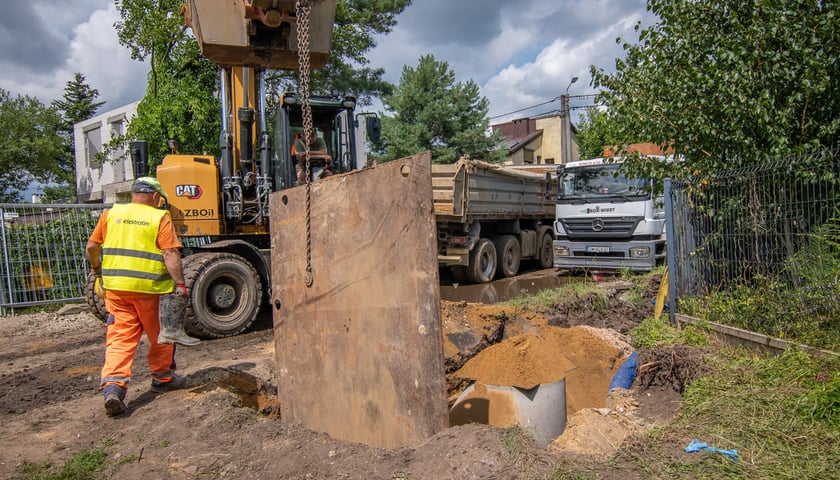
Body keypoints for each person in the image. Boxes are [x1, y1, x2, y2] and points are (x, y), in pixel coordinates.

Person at [85, 176, 189, 417]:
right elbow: (170, 253)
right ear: (155, 196)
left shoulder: (111, 214)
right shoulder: (159, 216)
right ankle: (162, 378)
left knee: (120, 338)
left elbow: (91, 247)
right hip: (150, 290)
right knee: (161, 336)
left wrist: (97, 269)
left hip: (117, 290)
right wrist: (180, 284)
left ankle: (113, 388)